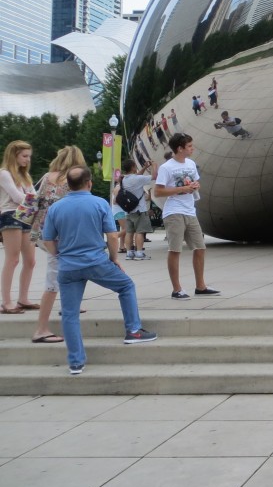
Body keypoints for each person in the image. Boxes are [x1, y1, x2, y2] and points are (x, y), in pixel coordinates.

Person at [41, 165, 157, 375]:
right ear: (89, 183)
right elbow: (112, 236)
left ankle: (76, 362)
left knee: (69, 313)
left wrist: (60, 256)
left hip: (68, 267)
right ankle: (133, 330)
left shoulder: (56, 208)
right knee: (126, 286)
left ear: (68, 185)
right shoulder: (98, 203)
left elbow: (48, 239)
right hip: (95, 262)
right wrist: (114, 259)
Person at [27, 146, 89, 342]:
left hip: (42, 231)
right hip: (62, 233)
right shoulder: (71, 181)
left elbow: (35, 201)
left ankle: (69, 304)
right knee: (53, 279)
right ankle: (41, 329)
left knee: (64, 269)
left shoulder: (47, 177)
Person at [154, 133, 220, 299]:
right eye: (189, 146)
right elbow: (158, 191)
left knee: (200, 248)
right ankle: (177, 289)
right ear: (180, 149)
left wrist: (195, 185)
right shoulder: (166, 167)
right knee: (175, 250)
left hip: (190, 210)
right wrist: (181, 189)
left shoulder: (190, 164)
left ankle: (201, 286)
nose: (192, 148)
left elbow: (195, 182)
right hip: (174, 212)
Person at [1, 140, 37, 315]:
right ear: (13, 155)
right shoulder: (4, 173)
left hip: (25, 215)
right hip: (10, 215)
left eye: (29, 156)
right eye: (24, 156)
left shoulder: (25, 176)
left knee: (30, 260)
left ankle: (23, 298)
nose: (27, 160)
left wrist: (33, 199)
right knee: (12, 259)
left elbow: (32, 197)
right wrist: (34, 200)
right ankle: (6, 302)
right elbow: (17, 197)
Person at [120, 159, 158, 261]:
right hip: (140, 210)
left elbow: (137, 176)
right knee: (140, 232)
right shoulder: (137, 179)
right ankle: (139, 253)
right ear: (133, 167)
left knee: (129, 232)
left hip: (129, 210)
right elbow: (154, 177)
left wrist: (144, 167)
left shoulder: (124, 179)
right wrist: (154, 165)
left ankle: (129, 253)